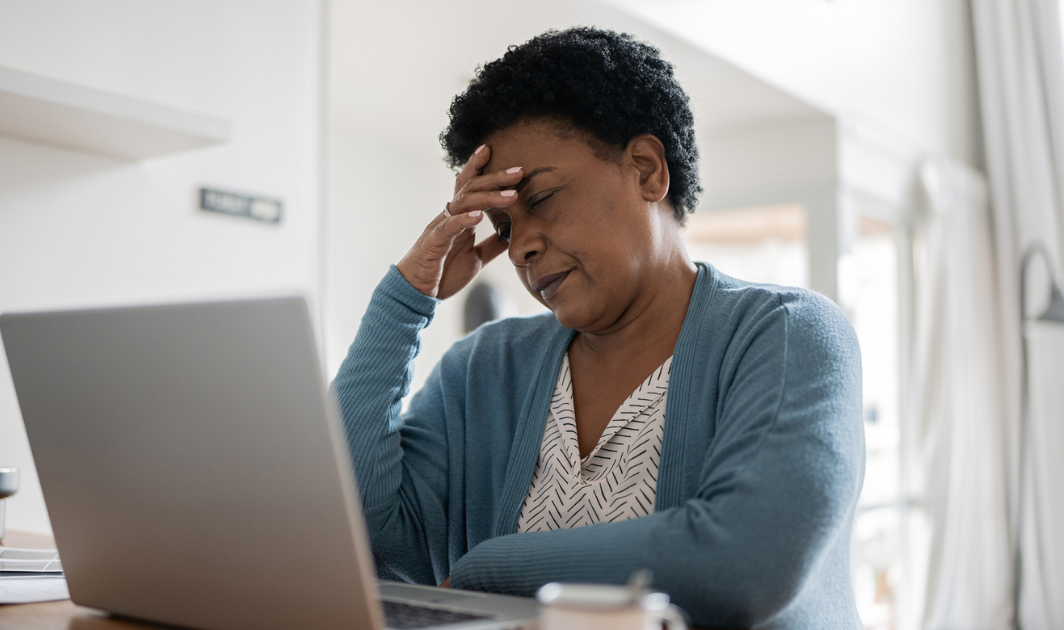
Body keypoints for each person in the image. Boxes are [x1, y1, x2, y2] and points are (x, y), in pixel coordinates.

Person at [332, 27, 864, 629]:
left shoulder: (785, 334)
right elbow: (366, 544)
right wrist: (404, 300)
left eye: (544, 197)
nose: (520, 249)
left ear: (645, 170)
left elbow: (743, 562)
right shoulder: (485, 368)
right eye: (503, 229)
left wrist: (489, 568)